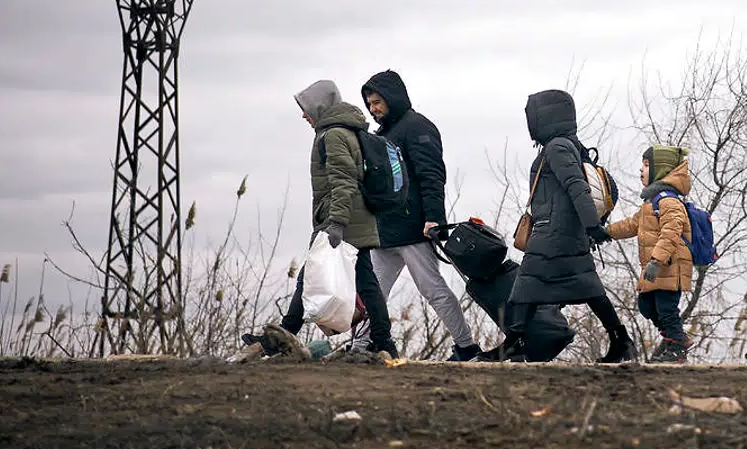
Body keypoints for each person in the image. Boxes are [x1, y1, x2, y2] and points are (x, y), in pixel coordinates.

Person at [478, 89, 635, 363]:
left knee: (527, 286)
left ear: (546, 116)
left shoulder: (558, 147)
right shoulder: (564, 145)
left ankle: (514, 343)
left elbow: (577, 187)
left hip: (555, 233)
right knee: (582, 287)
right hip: (559, 232)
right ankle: (620, 339)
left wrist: (592, 226)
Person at [244, 80, 397, 358]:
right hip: (349, 218)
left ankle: (281, 337)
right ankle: (385, 342)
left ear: (319, 105)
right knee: (359, 281)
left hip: (342, 221)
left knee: (315, 277)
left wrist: (336, 223)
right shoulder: (340, 131)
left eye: (305, 108)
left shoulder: (334, 135)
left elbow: (344, 182)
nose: (304, 115)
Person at [360, 70, 480, 362]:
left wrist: (434, 218)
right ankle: (360, 347)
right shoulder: (384, 134)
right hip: (385, 230)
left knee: (433, 289)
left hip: (413, 227)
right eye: (370, 104)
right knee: (372, 293)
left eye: (377, 102)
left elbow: (431, 175)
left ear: (392, 98)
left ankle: (467, 348)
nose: (374, 109)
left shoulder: (417, 127)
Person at [607, 145, 695, 364]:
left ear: (660, 170)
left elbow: (671, 232)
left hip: (668, 267)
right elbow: (631, 224)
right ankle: (675, 338)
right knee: (646, 305)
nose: (641, 170)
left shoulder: (669, 201)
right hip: (655, 270)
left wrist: (656, 260)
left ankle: (677, 346)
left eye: (647, 165)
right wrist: (605, 233)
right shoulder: (651, 203)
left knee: (666, 309)